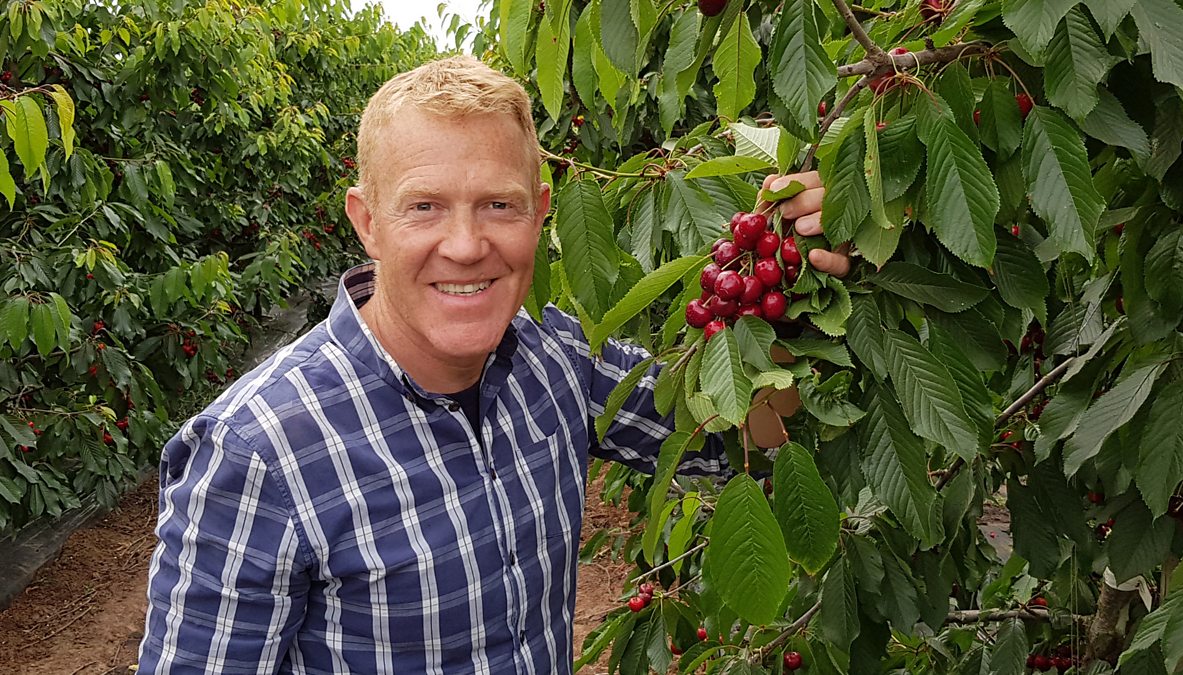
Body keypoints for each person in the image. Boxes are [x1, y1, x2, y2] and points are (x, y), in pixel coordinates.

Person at [137, 56, 848, 674]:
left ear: (540, 213)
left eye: (499, 205)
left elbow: (740, 436)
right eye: (424, 206)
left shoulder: (559, 357)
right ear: (367, 222)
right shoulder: (257, 452)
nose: (466, 244)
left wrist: (789, 274)